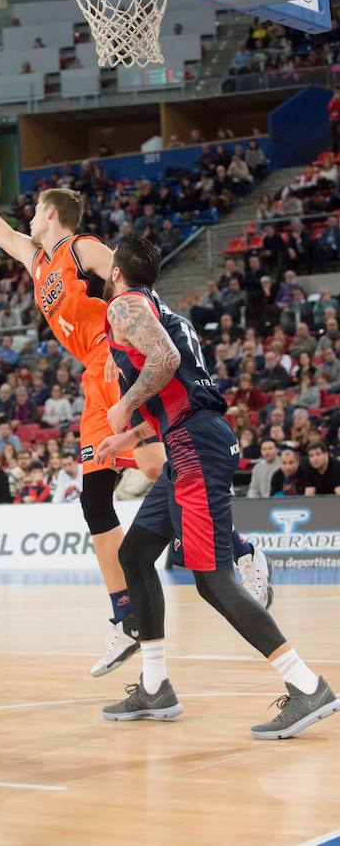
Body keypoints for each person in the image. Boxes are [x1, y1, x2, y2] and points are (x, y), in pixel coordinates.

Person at [0, 126, 166, 678]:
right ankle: (124, 616)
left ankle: (240, 550)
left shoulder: (84, 248)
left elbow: (139, 289)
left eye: (35, 210)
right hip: (90, 380)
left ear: (52, 214)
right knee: (95, 499)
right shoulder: (36, 258)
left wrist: (128, 347)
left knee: (157, 467)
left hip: (113, 361)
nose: (28, 217)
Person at [95, 236, 339, 738]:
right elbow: (182, 389)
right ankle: (156, 685)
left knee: (212, 579)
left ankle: (306, 685)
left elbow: (161, 364)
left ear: (117, 270)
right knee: (137, 555)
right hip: (189, 440)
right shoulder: (168, 312)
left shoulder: (123, 306)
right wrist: (130, 433)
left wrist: (123, 405)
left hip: (194, 448)